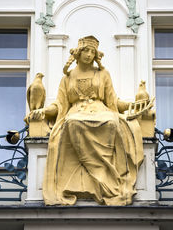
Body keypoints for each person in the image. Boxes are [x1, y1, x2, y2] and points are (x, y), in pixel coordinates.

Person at [31, 36, 144, 206]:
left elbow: (113, 101)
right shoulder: (67, 77)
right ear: (78, 53)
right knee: (72, 122)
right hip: (76, 112)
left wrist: (132, 106)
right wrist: (43, 111)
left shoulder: (103, 74)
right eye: (86, 51)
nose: (89, 55)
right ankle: (98, 174)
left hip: (101, 111)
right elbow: (60, 104)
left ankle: (107, 175)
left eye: (92, 52)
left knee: (112, 122)